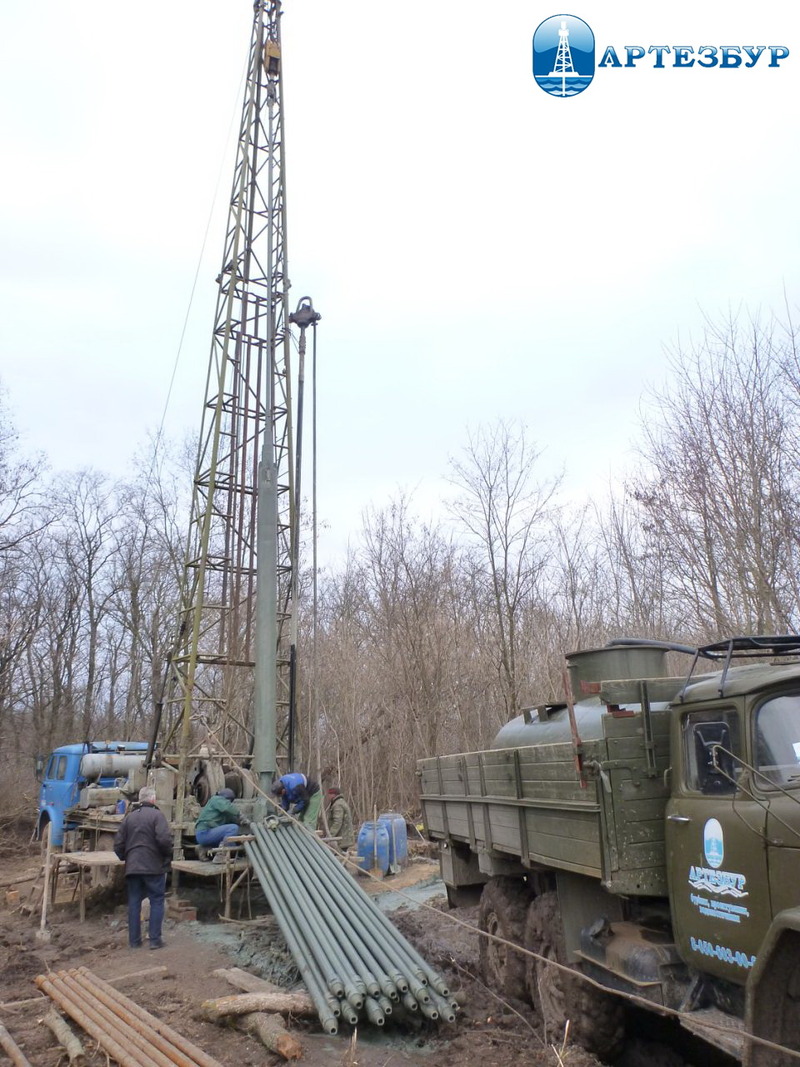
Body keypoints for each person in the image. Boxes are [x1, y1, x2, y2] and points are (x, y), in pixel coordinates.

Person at [113, 785, 172, 950]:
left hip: (133, 868)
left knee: (134, 902)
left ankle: (134, 941)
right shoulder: (157, 816)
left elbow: (118, 844)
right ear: (153, 799)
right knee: (157, 901)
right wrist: (166, 857)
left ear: (140, 799)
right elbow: (164, 840)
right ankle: (155, 940)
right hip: (153, 867)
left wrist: (127, 858)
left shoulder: (129, 818)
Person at [195, 788, 247, 861]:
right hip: (204, 833)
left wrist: (241, 822)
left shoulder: (224, 812)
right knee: (233, 828)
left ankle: (204, 848)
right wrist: (240, 814)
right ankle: (221, 856)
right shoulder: (215, 800)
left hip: (209, 835)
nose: (229, 803)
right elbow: (227, 807)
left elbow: (232, 819)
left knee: (232, 843)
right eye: (228, 802)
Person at [325, 786, 354, 850]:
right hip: (345, 837)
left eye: (329, 794)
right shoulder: (341, 802)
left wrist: (330, 836)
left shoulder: (337, 805)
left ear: (333, 795)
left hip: (342, 838)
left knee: (338, 854)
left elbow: (337, 822)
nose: (328, 796)